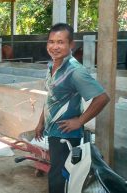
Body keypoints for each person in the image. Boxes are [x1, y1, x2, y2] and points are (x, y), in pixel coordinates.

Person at [34, 23, 110, 193]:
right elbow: (51, 98)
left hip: (66, 136)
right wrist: (41, 123)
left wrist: (80, 121)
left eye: (60, 42)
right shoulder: (51, 66)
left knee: (58, 179)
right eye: (51, 41)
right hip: (53, 131)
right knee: (58, 174)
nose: (54, 47)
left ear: (71, 45)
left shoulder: (75, 71)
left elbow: (103, 98)